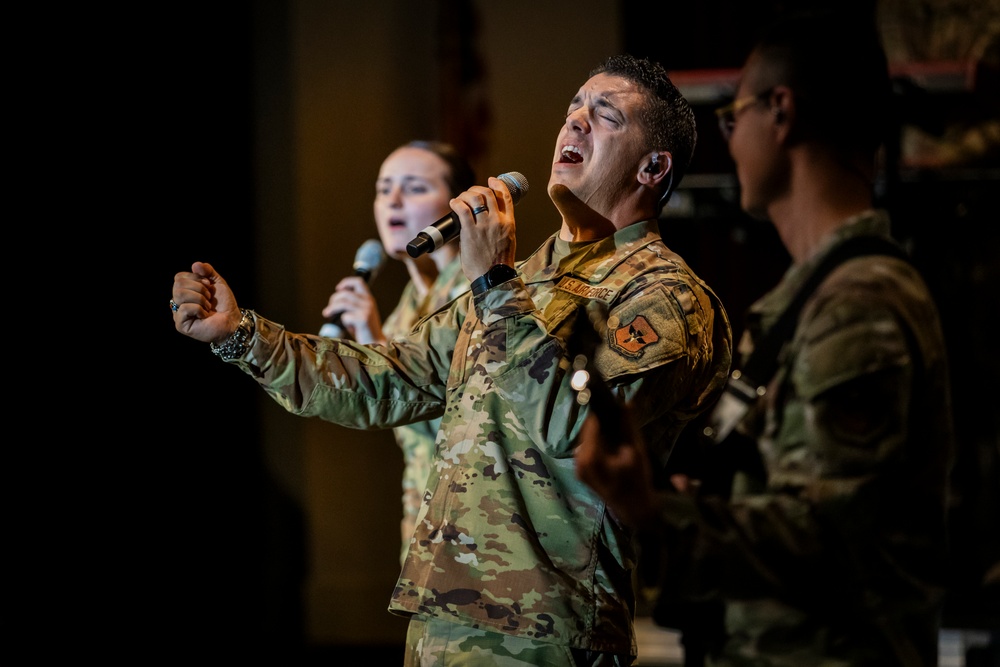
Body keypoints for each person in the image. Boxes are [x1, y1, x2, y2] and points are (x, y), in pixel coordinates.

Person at [170, 53, 731, 666]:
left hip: (546, 631)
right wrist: (240, 334)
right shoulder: (526, 280)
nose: (573, 124)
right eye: (572, 109)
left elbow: (575, 431)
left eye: (604, 117)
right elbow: (384, 379)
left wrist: (493, 284)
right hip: (443, 620)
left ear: (654, 167)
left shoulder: (665, 294)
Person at [574, 10, 955, 667]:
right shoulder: (812, 298)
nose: (730, 136)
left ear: (781, 112)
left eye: (733, 113)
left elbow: (828, 539)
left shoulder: (857, 305)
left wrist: (655, 510)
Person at [320, 139, 476, 563]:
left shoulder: (478, 290)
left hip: (476, 519)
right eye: (383, 187)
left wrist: (372, 338)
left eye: (414, 187)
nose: (393, 200)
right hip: (422, 511)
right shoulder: (409, 300)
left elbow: (448, 409)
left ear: (457, 205)